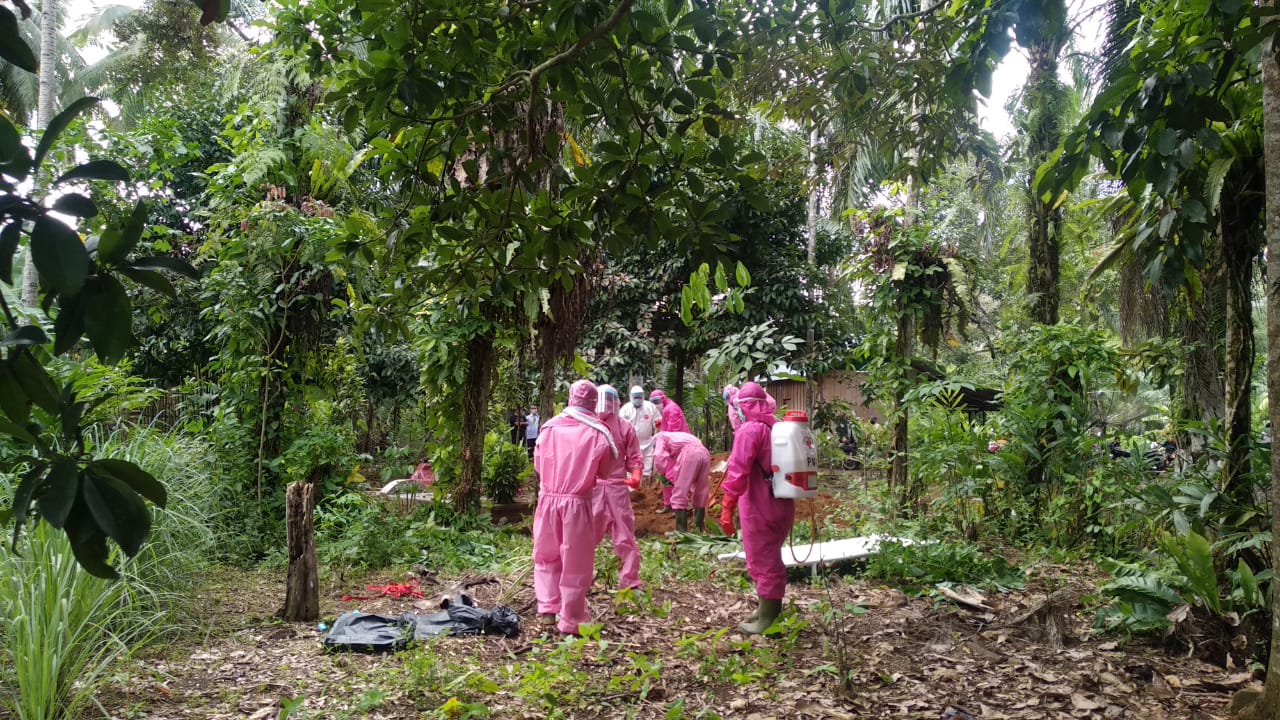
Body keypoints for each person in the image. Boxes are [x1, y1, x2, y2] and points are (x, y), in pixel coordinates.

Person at [532, 380, 616, 635]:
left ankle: (547, 610)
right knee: (576, 562)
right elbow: (605, 471)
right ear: (594, 402)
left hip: (547, 500)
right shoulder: (598, 432)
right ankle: (572, 620)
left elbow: (538, 465)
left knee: (545, 556)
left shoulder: (548, 428)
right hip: (577, 503)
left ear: (570, 398)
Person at [720, 381, 795, 635]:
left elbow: (737, 473)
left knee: (764, 560)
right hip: (781, 504)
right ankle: (766, 608)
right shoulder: (774, 426)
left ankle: (768, 619)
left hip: (761, 505)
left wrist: (726, 508)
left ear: (743, 407)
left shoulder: (750, 430)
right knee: (769, 556)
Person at [591, 384, 644, 590]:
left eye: (608, 399)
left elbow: (634, 456)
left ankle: (629, 580)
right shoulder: (589, 425)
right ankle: (579, 577)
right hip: (594, 486)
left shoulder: (623, 427)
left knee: (624, 535)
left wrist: (636, 473)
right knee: (586, 534)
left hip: (615, 486)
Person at [652, 430, 711, 533]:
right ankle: (698, 529)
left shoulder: (659, 438)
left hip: (689, 455)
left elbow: (658, 456)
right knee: (701, 490)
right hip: (705, 453)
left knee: (680, 492)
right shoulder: (679, 436)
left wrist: (663, 473)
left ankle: (680, 531)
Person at [619, 386, 660, 483]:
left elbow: (658, 421)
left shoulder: (650, 407)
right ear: (631, 397)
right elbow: (620, 427)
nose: (637, 399)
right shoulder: (625, 409)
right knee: (632, 469)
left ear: (643, 396)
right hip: (631, 445)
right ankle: (632, 490)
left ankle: (645, 488)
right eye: (635, 397)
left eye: (639, 397)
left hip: (647, 443)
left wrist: (658, 425)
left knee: (647, 469)